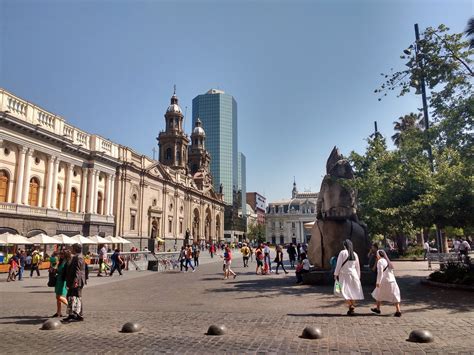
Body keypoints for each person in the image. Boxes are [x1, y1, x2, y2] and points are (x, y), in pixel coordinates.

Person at [334, 239, 364, 316]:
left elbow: (338, 264)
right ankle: (351, 307)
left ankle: (351, 306)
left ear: (345, 245)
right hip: (354, 274)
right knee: (353, 292)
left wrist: (336, 274)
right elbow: (358, 267)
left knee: (344, 292)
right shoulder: (355, 254)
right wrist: (358, 276)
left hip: (344, 275)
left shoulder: (342, 253)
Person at [371, 249, 402, 317]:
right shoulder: (387, 261)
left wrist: (378, 282)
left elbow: (380, 273)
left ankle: (378, 308)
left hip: (384, 281)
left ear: (378, 255)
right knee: (394, 295)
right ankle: (398, 310)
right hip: (392, 280)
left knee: (378, 293)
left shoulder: (380, 261)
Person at [63, 244, 85, 322]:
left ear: (75, 249)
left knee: (78, 297)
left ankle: (80, 315)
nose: (71, 249)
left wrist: (75, 281)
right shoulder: (75, 257)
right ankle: (71, 314)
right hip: (73, 280)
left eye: (72, 248)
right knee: (70, 296)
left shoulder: (79, 257)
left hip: (77, 281)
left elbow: (78, 270)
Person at [52, 250, 69, 318]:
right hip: (58, 279)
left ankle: (72, 308)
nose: (60, 255)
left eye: (62, 254)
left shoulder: (66, 262)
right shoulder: (61, 261)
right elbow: (59, 270)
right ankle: (58, 312)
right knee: (58, 297)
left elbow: (66, 272)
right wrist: (54, 270)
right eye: (60, 254)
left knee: (59, 297)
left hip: (62, 280)